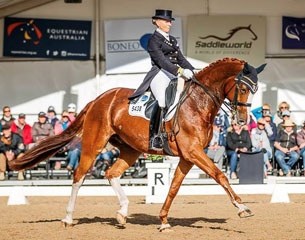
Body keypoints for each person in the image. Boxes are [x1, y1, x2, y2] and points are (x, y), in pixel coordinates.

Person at [129, 9, 195, 150]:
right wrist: (179, 71)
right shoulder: (153, 40)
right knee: (162, 101)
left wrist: (193, 71)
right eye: (166, 21)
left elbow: (180, 59)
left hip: (173, 73)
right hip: (159, 73)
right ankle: (156, 136)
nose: (169, 24)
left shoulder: (171, 40)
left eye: (170, 21)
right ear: (157, 22)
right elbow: (161, 60)